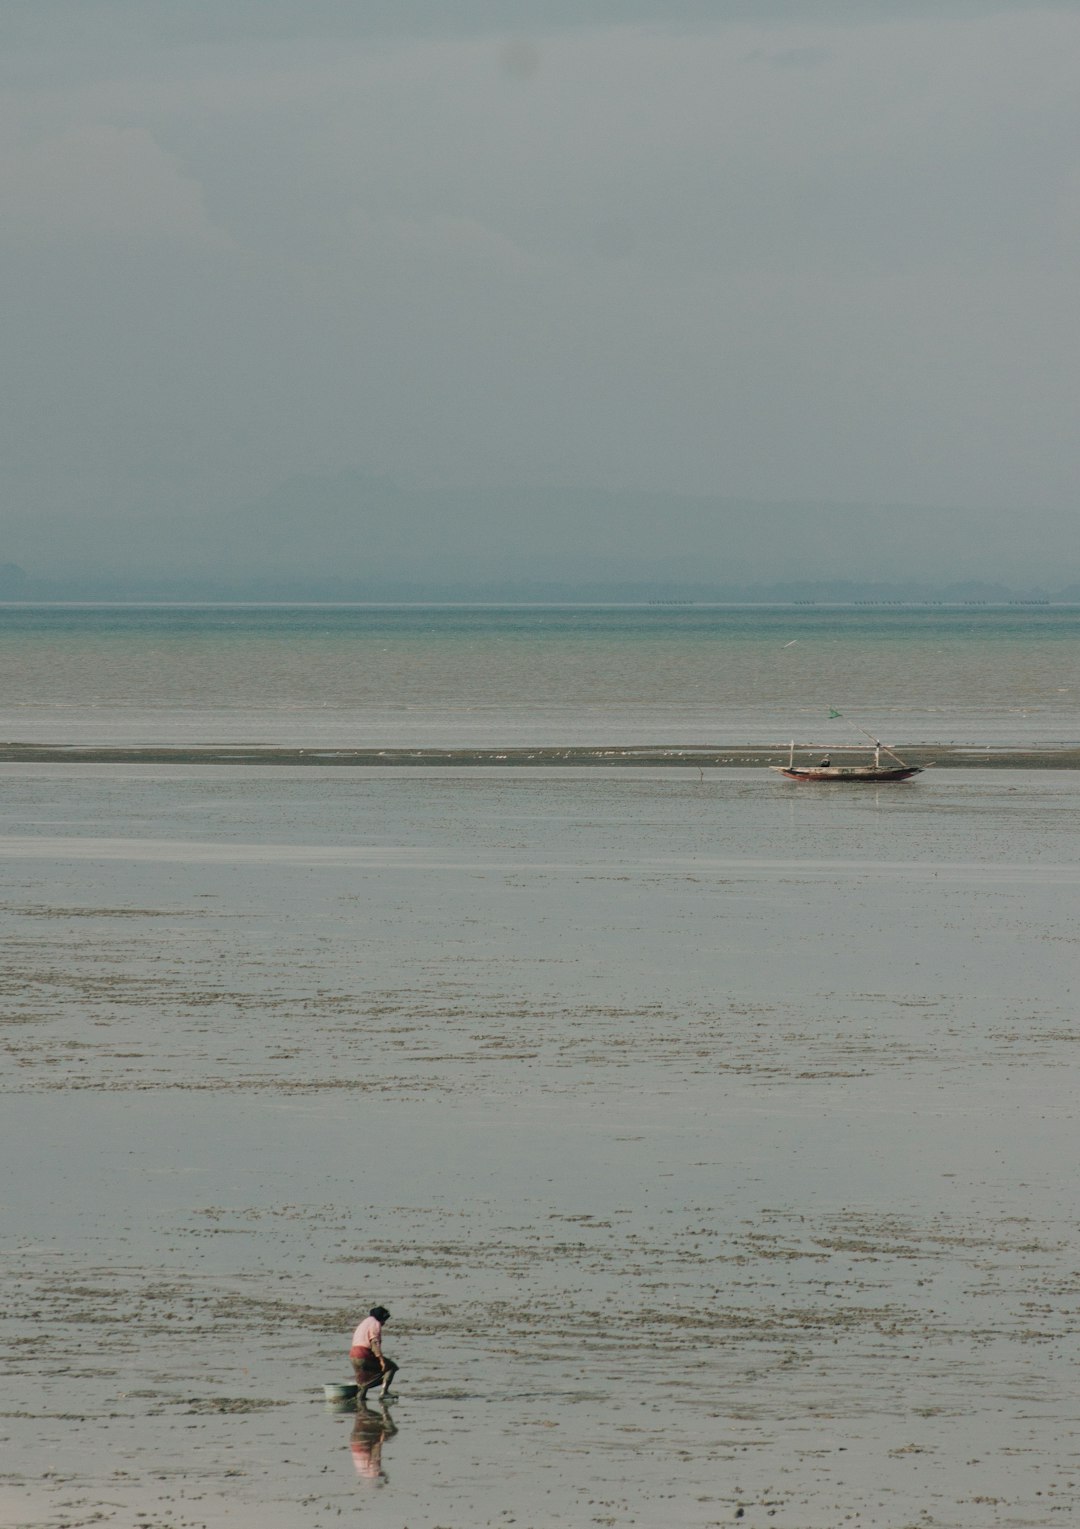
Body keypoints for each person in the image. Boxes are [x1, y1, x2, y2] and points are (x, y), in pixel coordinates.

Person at [350, 1305, 398, 1400]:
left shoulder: (365, 1322)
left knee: (364, 1377)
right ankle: (384, 1392)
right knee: (391, 1367)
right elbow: (374, 1343)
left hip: (353, 1355)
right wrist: (381, 1360)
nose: (384, 1323)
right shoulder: (375, 1324)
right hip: (364, 1354)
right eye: (384, 1320)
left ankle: (361, 1397)